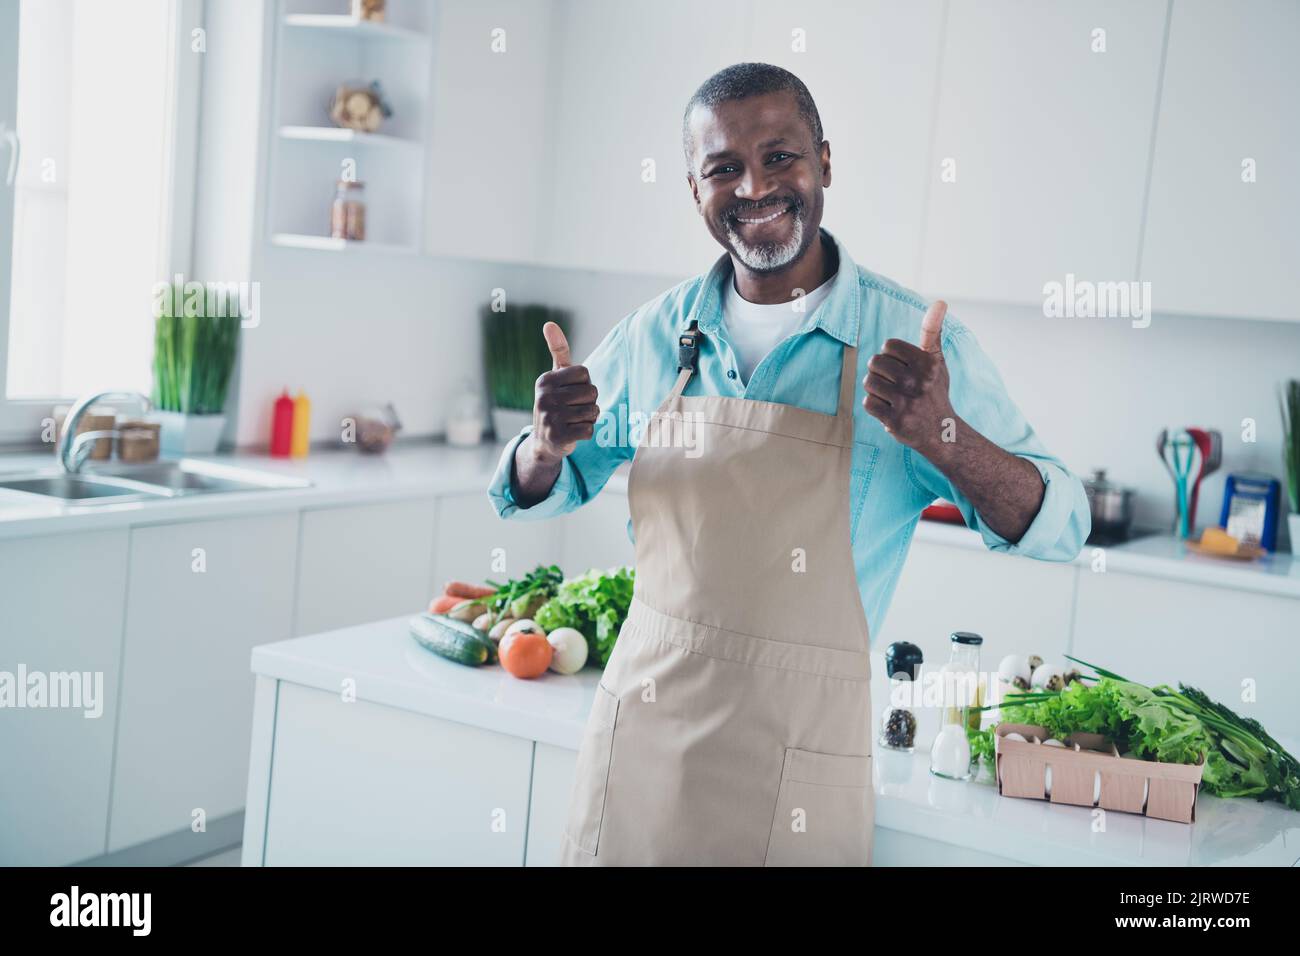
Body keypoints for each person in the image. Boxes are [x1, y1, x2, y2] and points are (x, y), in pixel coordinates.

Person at [488, 63, 1090, 866]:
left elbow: (1063, 526)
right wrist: (541, 447)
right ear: (694, 189)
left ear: (826, 163)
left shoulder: (910, 345)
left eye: (780, 157)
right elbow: (541, 486)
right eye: (723, 168)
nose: (755, 187)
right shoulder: (656, 334)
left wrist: (944, 434)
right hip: (639, 749)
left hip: (796, 773)